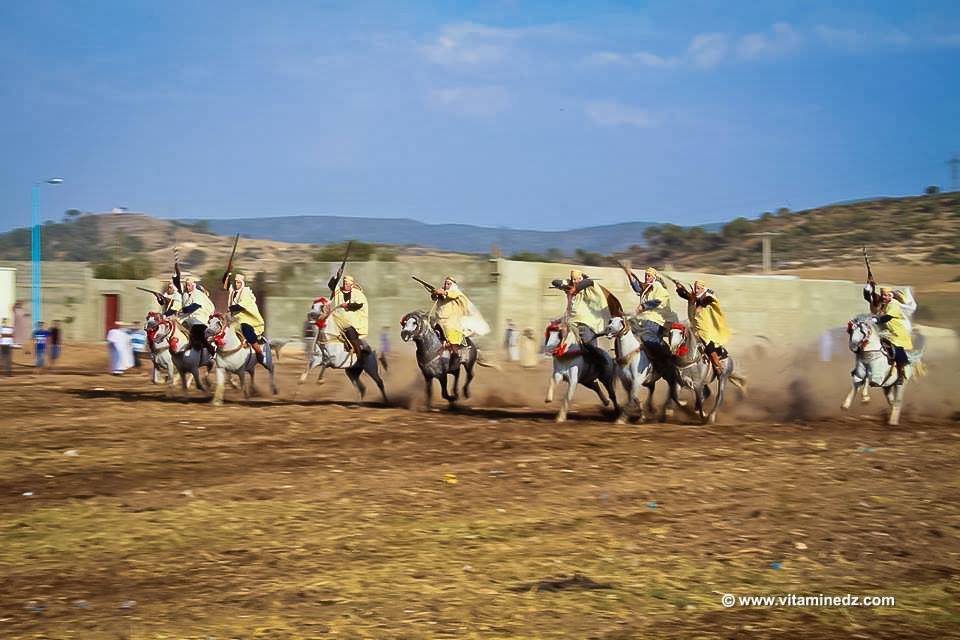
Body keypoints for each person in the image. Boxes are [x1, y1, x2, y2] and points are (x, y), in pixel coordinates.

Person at [550, 269, 612, 363]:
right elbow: (555, 282)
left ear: (581, 279)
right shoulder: (570, 284)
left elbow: (589, 281)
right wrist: (564, 285)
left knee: (588, 342)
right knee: (554, 331)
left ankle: (599, 363)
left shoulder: (589, 286)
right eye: (573, 279)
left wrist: (576, 288)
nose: (574, 281)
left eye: (576, 279)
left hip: (585, 322)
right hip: (570, 320)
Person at [674, 279, 731, 378]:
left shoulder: (708, 294)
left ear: (703, 288)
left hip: (705, 326)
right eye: (695, 287)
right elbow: (686, 295)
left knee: (707, 342)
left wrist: (701, 305)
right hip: (694, 324)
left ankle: (717, 364)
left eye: (698, 288)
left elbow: (709, 299)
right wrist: (680, 289)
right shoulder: (695, 295)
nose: (696, 290)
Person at [429, 276, 490, 368]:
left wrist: (442, 292)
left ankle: (455, 358)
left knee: (452, 339)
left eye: (449, 283)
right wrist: (434, 293)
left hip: (452, 322)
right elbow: (434, 298)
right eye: (446, 283)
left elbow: (451, 294)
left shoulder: (456, 292)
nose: (446, 285)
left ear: (453, 285)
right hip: (440, 321)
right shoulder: (443, 293)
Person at [875, 287, 916, 385]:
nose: (883, 297)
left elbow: (887, 317)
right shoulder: (885, 305)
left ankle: (901, 373)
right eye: (883, 295)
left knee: (896, 347)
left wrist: (877, 320)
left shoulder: (894, 304)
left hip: (898, 333)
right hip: (888, 331)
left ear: (890, 296)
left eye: (886, 295)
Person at [227, 273, 266, 364]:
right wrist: (227, 275)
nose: (237, 284)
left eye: (239, 283)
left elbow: (241, 306)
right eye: (236, 282)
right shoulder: (232, 292)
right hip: (234, 319)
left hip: (246, 318)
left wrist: (229, 309)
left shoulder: (246, 292)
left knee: (246, 328)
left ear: (242, 283)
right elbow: (226, 284)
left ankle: (258, 350)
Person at [328, 274, 369, 357]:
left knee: (350, 332)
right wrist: (336, 276)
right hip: (337, 319)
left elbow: (360, 305)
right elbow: (331, 285)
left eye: (347, 284)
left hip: (351, 321)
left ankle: (359, 354)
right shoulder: (338, 291)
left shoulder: (357, 293)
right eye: (344, 283)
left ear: (351, 285)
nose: (345, 285)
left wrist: (347, 305)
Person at [178, 277, 215, 350]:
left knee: (196, 327)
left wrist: (182, 310)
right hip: (188, 315)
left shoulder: (198, 294)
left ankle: (206, 346)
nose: (187, 287)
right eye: (186, 285)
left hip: (200, 314)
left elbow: (193, 307)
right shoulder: (185, 294)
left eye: (189, 285)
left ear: (193, 285)